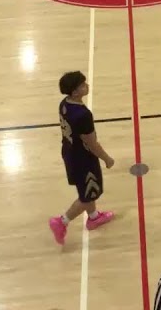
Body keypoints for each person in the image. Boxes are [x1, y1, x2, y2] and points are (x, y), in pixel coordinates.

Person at [48, 71, 115, 245]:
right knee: (87, 196)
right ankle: (61, 221)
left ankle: (93, 218)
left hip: (69, 152)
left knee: (87, 191)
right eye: (83, 85)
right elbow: (92, 143)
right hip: (83, 159)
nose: (87, 86)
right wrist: (107, 159)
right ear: (75, 91)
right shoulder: (83, 115)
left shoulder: (64, 104)